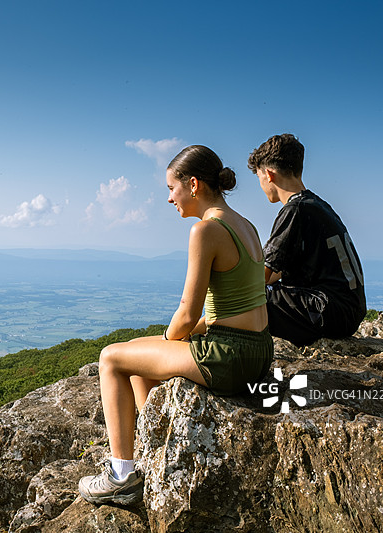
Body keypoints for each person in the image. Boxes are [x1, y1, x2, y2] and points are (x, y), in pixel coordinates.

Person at [78, 145, 273, 506]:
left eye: (172, 188)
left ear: (193, 184)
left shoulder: (206, 230)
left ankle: (121, 476)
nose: (170, 199)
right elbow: (234, 306)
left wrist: (170, 340)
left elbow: (186, 314)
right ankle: (154, 443)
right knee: (137, 354)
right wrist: (165, 342)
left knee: (110, 358)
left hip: (229, 356)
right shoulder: (246, 225)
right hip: (259, 350)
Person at [247, 133, 366, 347]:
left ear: (268, 174)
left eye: (259, 178)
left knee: (248, 297)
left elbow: (259, 279)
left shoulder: (295, 209)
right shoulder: (317, 204)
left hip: (328, 311)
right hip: (347, 311)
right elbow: (279, 270)